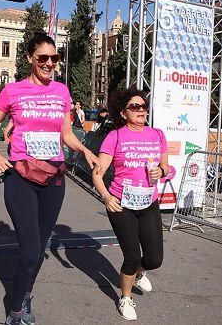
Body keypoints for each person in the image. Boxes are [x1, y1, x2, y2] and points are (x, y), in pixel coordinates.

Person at [0, 32, 100, 325]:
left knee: (38, 248)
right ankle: (15, 311)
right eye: (43, 58)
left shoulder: (61, 92)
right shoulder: (13, 90)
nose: (49, 63)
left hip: (54, 178)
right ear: (30, 59)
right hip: (20, 176)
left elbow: (66, 135)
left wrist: (84, 150)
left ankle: (24, 294)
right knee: (31, 250)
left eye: (54, 58)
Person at [91, 88, 169, 321]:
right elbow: (98, 173)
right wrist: (106, 196)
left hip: (148, 202)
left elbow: (167, 168)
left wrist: (161, 171)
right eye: (135, 107)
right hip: (121, 204)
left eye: (143, 106)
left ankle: (137, 274)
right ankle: (125, 298)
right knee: (132, 256)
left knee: (154, 259)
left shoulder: (157, 134)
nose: (141, 110)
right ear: (123, 113)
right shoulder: (115, 136)